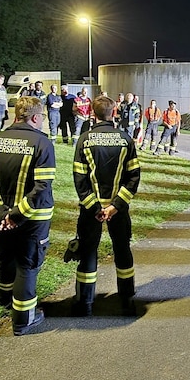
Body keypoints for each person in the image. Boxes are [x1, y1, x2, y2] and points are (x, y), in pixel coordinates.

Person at [0, 96, 55, 335]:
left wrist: (2, 214)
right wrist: (18, 215)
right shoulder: (42, 144)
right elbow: (42, 187)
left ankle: (4, 298)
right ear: (35, 117)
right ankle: (23, 319)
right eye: (41, 118)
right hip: (32, 218)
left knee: (6, 256)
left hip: (3, 218)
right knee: (27, 264)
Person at [70, 95, 141, 316]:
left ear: (93, 113)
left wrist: (95, 208)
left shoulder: (84, 139)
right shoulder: (126, 140)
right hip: (118, 209)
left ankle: (85, 302)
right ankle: (127, 300)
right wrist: (115, 206)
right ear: (114, 113)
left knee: (89, 251)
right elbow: (133, 177)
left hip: (91, 209)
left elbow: (79, 179)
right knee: (122, 250)